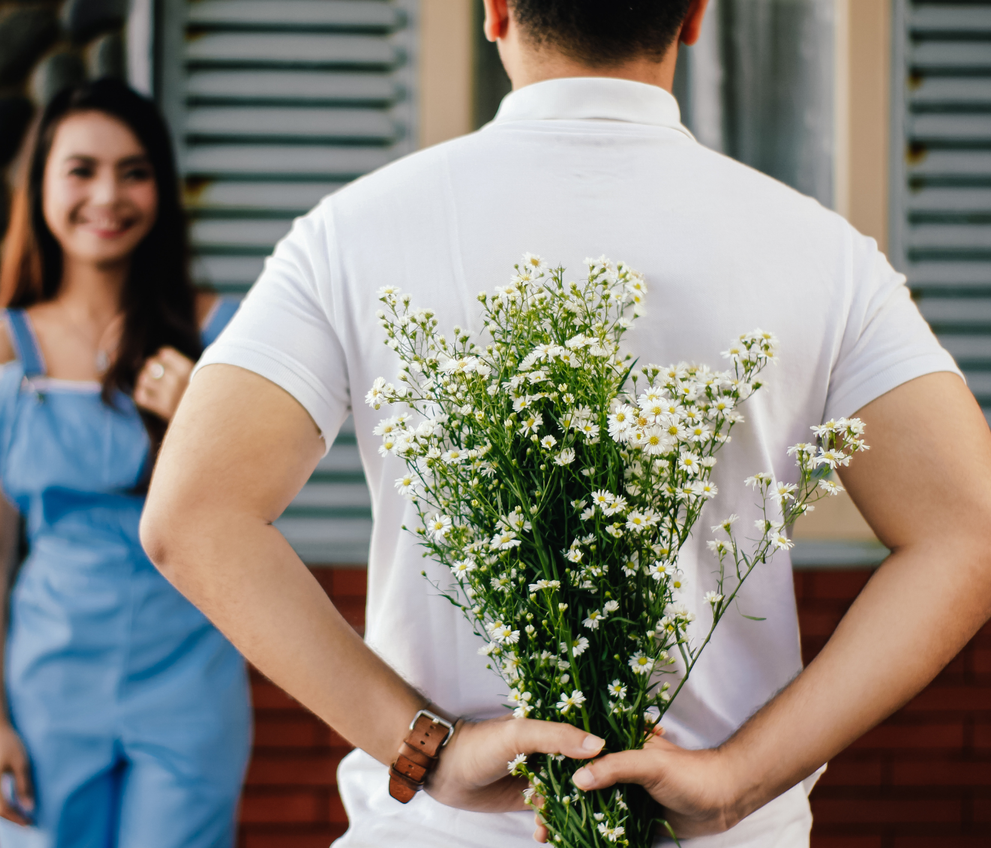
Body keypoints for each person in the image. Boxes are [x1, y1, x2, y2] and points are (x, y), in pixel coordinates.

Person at [138, 1, 991, 846]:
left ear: (495, 9)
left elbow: (192, 516)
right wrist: (737, 780)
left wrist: (427, 752)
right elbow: (972, 532)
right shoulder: (825, 252)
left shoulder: (352, 233)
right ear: (694, 17)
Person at [0, 79, 249, 848]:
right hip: (49, 686)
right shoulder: (0, 354)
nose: (107, 195)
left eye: (135, 171)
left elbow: (259, 517)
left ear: (162, 189)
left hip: (191, 678)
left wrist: (196, 424)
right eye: (81, 169)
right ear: (41, 184)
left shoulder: (221, 336)